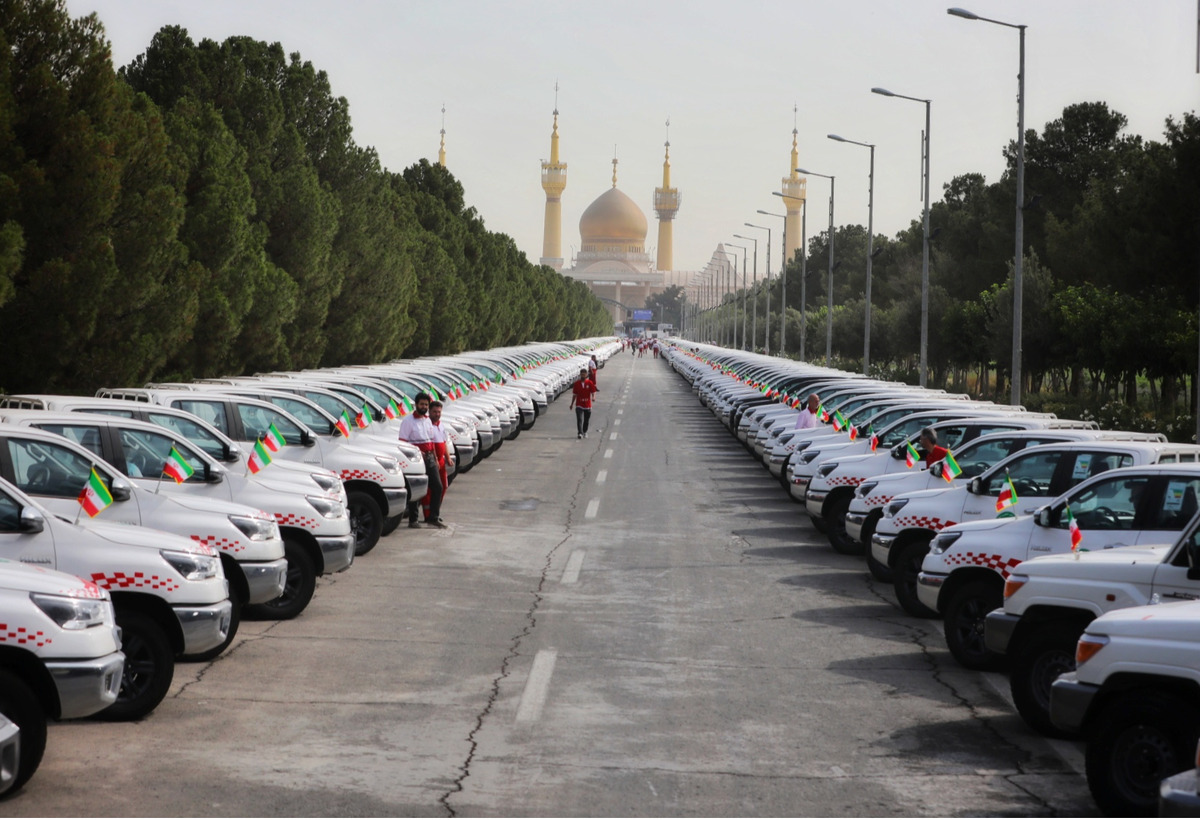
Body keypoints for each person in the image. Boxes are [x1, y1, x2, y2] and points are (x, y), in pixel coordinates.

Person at [398, 392, 446, 528]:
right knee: (417, 488)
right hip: (415, 459)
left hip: (430, 457)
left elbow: (431, 441)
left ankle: (433, 517)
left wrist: (435, 458)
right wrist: (417, 453)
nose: (424, 407)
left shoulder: (427, 421)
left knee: (437, 486)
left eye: (426, 404)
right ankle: (413, 519)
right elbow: (403, 443)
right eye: (422, 404)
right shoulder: (408, 421)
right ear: (416, 404)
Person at [421, 400, 450, 524]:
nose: (437, 414)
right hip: (432, 461)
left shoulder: (441, 425)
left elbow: (444, 443)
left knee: (443, 487)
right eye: (434, 412)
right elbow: (430, 445)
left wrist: (447, 458)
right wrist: (436, 459)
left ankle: (436, 511)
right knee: (431, 490)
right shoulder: (427, 425)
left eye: (439, 412)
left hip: (441, 461)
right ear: (429, 412)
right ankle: (428, 515)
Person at [568, 368, 598, 439]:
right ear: (580, 375)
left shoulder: (589, 383)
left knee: (586, 420)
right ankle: (580, 433)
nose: (583, 376)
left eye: (584, 374)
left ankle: (584, 431)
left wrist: (593, 397)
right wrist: (572, 404)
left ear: (586, 375)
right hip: (579, 404)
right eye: (582, 374)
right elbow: (574, 394)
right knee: (579, 419)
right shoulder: (577, 384)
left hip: (587, 405)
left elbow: (593, 391)